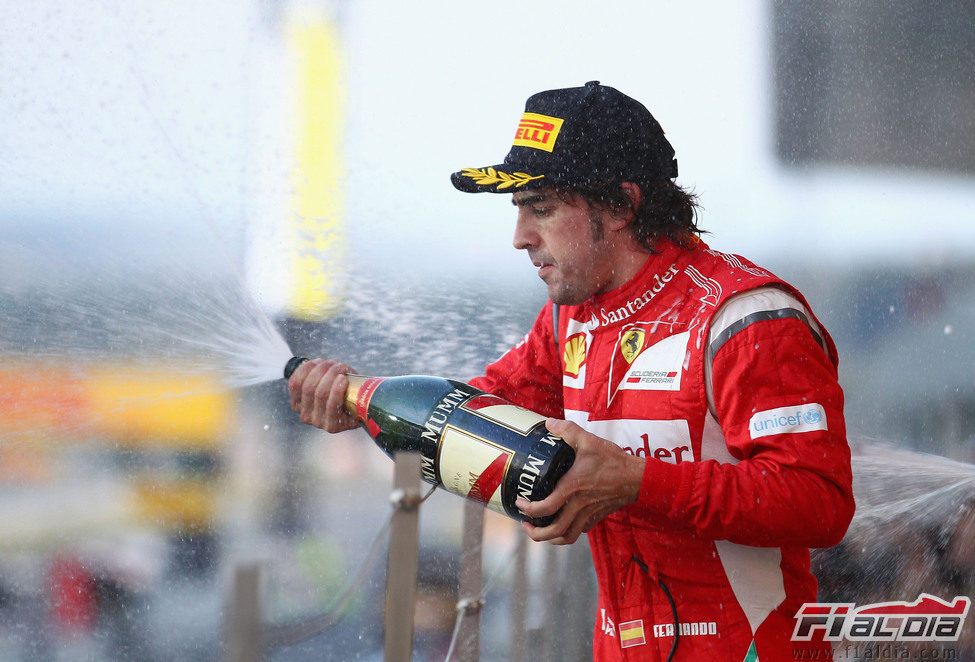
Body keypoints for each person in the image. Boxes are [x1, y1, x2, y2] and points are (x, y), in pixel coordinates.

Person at [289, 81, 855, 661]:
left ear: (621, 206)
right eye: (519, 211)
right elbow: (471, 417)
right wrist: (358, 403)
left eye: (543, 208)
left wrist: (634, 481)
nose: (520, 238)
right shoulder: (567, 322)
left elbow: (820, 502)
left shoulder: (747, 319)